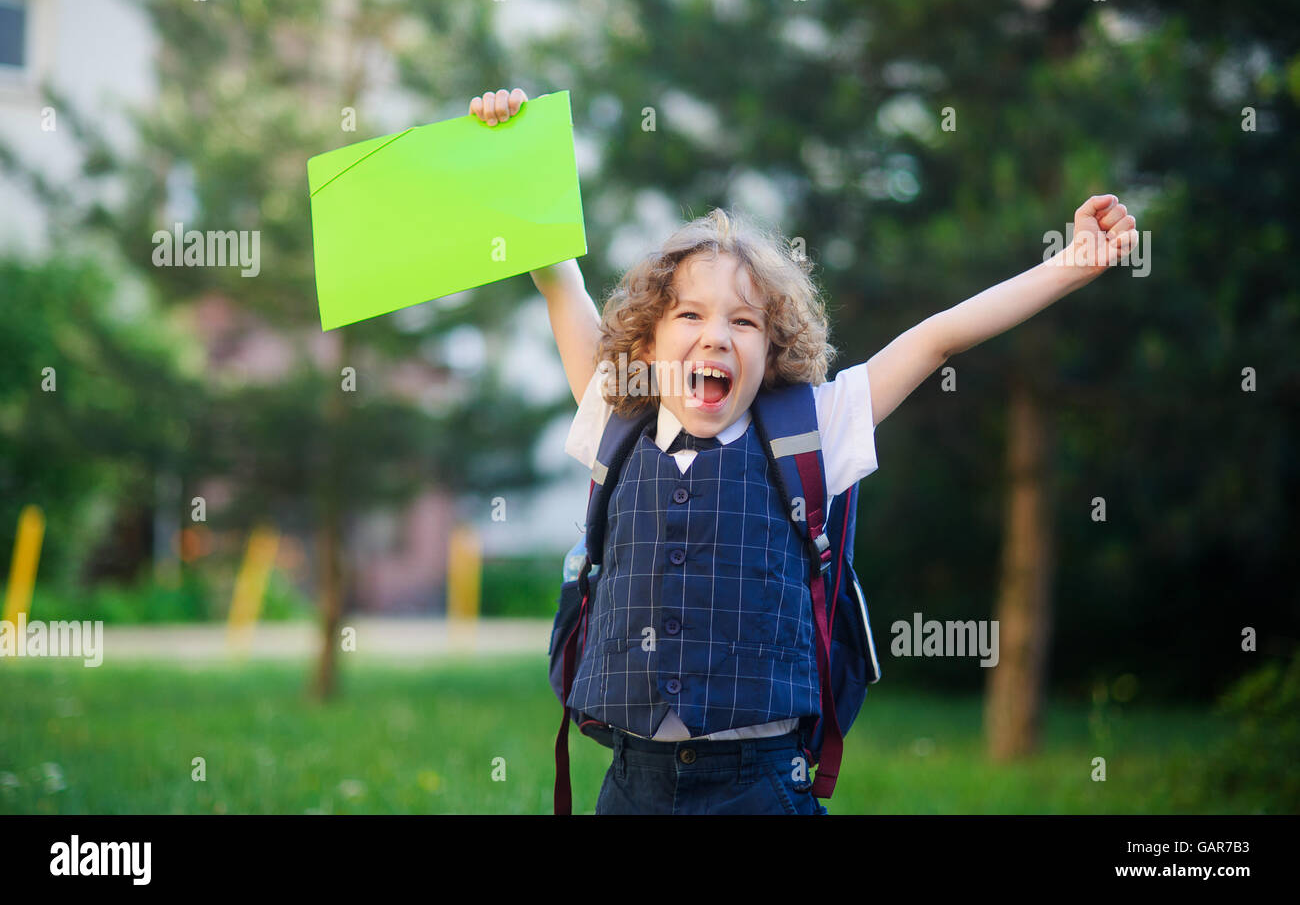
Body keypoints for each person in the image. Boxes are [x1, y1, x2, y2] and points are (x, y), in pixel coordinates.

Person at [470, 87, 1139, 814]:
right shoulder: (619, 416)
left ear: (775, 347)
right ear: (645, 342)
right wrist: (513, 144)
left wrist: (1073, 261)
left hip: (760, 784)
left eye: (745, 321)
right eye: (689, 314)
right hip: (632, 784)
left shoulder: (815, 426)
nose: (716, 336)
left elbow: (938, 335)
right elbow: (557, 281)